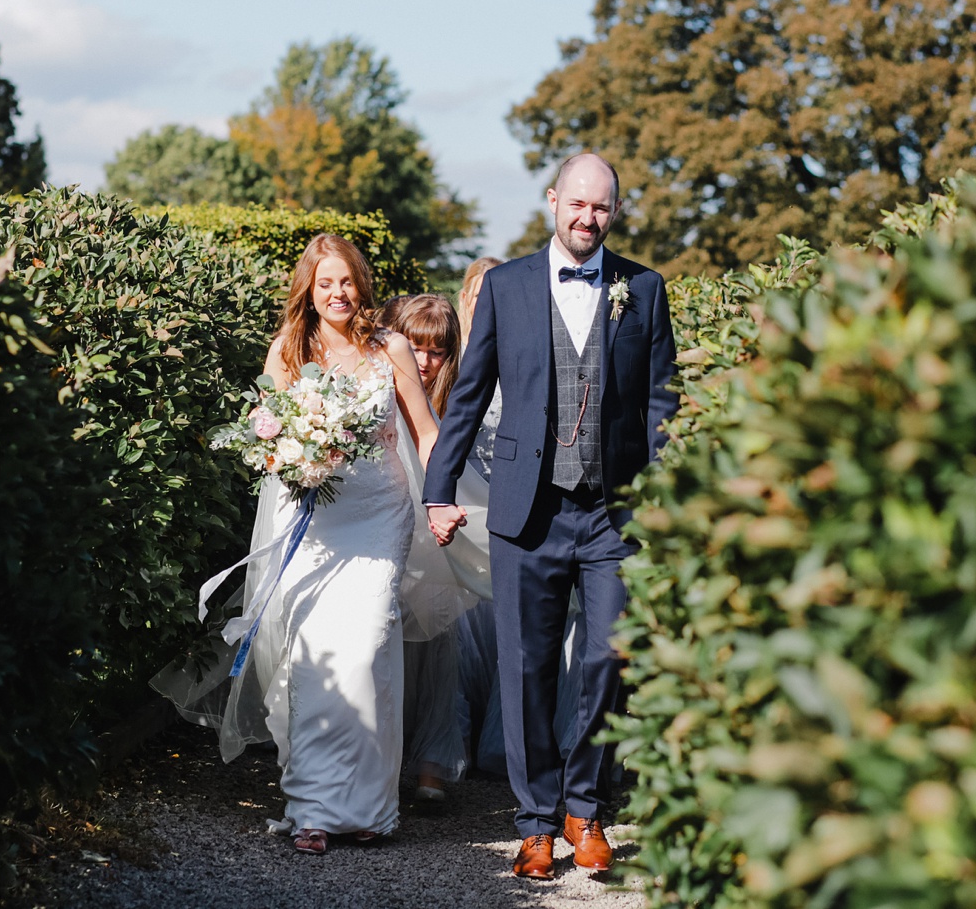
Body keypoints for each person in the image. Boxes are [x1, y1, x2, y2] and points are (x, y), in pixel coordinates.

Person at [424, 154, 678, 879]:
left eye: (601, 207)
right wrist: (440, 489)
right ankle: (535, 822)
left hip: (612, 512)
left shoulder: (645, 289)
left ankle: (584, 808)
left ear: (615, 212)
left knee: (606, 657)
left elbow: (662, 401)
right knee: (529, 666)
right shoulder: (505, 286)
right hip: (526, 508)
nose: (587, 218)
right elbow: (469, 395)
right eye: (577, 204)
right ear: (552, 201)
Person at [163, 234, 442, 857]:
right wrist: (295, 452)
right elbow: (266, 439)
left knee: (368, 646)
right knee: (314, 657)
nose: (338, 293)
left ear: (360, 286)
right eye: (325, 284)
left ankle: (370, 806)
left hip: (378, 516)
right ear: (309, 292)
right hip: (312, 522)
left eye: (347, 282)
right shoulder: (287, 352)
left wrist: (440, 499)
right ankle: (314, 808)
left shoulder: (388, 348)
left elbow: (425, 433)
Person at [377, 294, 467, 801]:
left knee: (439, 641)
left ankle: (434, 758)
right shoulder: (374, 389)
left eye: (439, 351)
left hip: (434, 531)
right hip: (384, 521)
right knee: (388, 642)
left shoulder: (455, 400)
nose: (427, 362)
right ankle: (386, 758)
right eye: (418, 348)